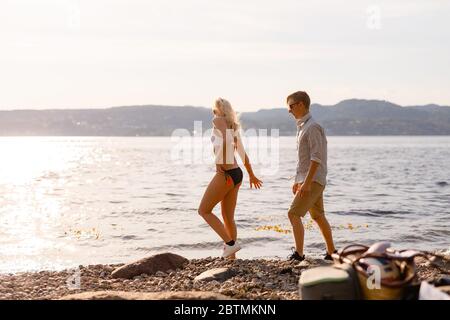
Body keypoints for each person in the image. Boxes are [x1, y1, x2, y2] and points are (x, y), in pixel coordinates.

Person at [198, 98, 263, 259]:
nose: (213, 114)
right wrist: (251, 174)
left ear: (220, 111)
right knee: (228, 218)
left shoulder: (218, 121)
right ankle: (232, 258)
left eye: (214, 110)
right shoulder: (233, 126)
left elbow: (225, 142)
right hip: (237, 174)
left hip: (225, 174)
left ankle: (231, 244)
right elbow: (242, 153)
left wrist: (219, 162)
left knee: (204, 211)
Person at [286, 91, 337, 261]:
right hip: (309, 178)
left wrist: (306, 183)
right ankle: (332, 253)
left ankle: (299, 254)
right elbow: (303, 160)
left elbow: (316, 157)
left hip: (313, 179)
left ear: (301, 104)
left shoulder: (313, 127)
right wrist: (297, 180)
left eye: (291, 106)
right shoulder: (303, 127)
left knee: (293, 214)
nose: (289, 110)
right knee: (318, 216)